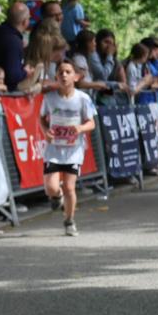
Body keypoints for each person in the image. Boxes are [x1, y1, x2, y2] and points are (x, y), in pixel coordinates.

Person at [39, 58, 97, 237]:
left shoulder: (83, 98)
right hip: (54, 150)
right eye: (61, 72)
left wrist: (80, 128)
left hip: (73, 150)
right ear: (56, 76)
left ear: (76, 77)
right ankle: (57, 198)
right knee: (51, 187)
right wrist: (46, 131)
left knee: (70, 188)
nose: (64, 75)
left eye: (68, 72)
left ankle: (69, 221)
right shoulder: (49, 98)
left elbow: (91, 123)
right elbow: (42, 118)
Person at [0, 1, 30, 91]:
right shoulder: (13, 42)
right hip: (5, 92)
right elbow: (13, 76)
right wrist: (25, 72)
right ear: (25, 22)